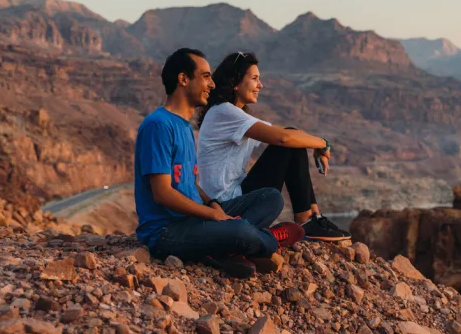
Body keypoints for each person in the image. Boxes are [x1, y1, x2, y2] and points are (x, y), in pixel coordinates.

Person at [133, 48, 304, 279]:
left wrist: (212, 204)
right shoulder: (158, 125)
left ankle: (224, 248)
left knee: (271, 198)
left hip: (194, 219)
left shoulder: (184, 126)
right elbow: (162, 193)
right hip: (166, 231)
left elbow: (188, 183)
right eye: (205, 76)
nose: (212, 85)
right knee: (240, 229)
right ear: (183, 79)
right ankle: (267, 240)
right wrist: (211, 215)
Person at [197, 51, 351, 241]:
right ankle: (306, 221)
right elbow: (284, 138)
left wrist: (314, 143)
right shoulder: (224, 112)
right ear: (235, 83)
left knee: (293, 140)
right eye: (254, 79)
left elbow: (289, 135)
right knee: (288, 143)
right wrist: (323, 144)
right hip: (223, 205)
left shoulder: (234, 114)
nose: (260, 85)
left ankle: (313, 217)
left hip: (232, 196)